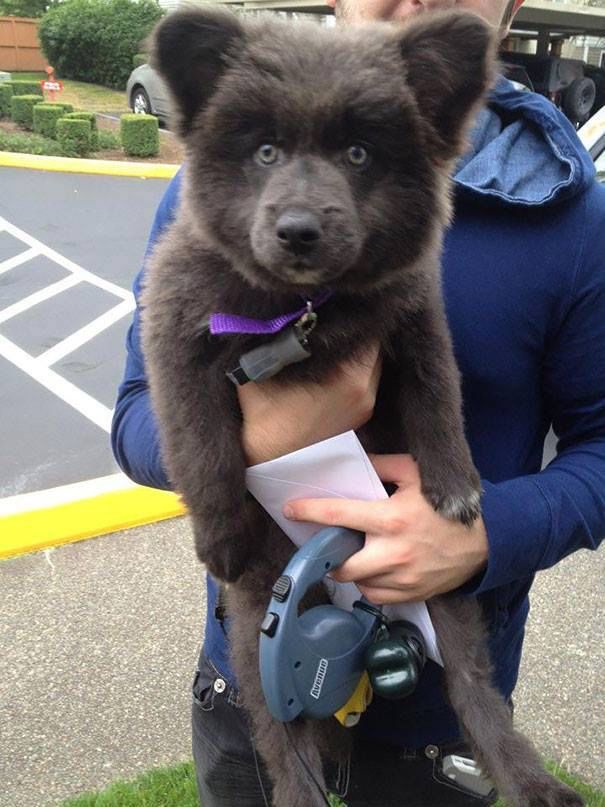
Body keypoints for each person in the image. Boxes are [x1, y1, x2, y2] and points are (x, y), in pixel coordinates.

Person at [110, 0, 605, 802]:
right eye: (266, 150)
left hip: (431, 734)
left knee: (461, 662)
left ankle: (513, 764)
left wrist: (485, 532)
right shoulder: (200, 200)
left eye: (355, 152)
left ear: (508, 8)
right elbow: (135, 411)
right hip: (260, 661)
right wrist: (245, 454)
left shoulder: (576, 222)